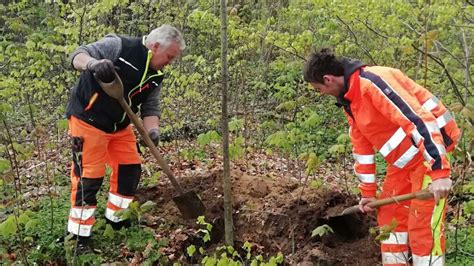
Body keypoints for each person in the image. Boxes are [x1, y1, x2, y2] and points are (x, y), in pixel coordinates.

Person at [303, 48, 460, 265]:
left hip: (429, 156)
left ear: (328, 79)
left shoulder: (373, 83)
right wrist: (368, 193)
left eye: (319, 89)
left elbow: (418, 120)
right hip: (405, 164)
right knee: (389, 216)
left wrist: (440, 172)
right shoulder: (351, 101)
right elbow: (362, 150)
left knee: (422, 226)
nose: (321, 93)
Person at [65, 25, 185, 250]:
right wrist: (93, 64)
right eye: (169, 57)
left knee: (130, 169)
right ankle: (79, 237)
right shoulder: (120, 46)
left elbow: (150, 106)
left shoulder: (156, 75)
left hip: (119, 126)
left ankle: (117, 219)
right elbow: (76, 56)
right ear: (156, 46)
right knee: (89, 177)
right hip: (88, 119)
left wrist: (153, 130)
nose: (170, 62)